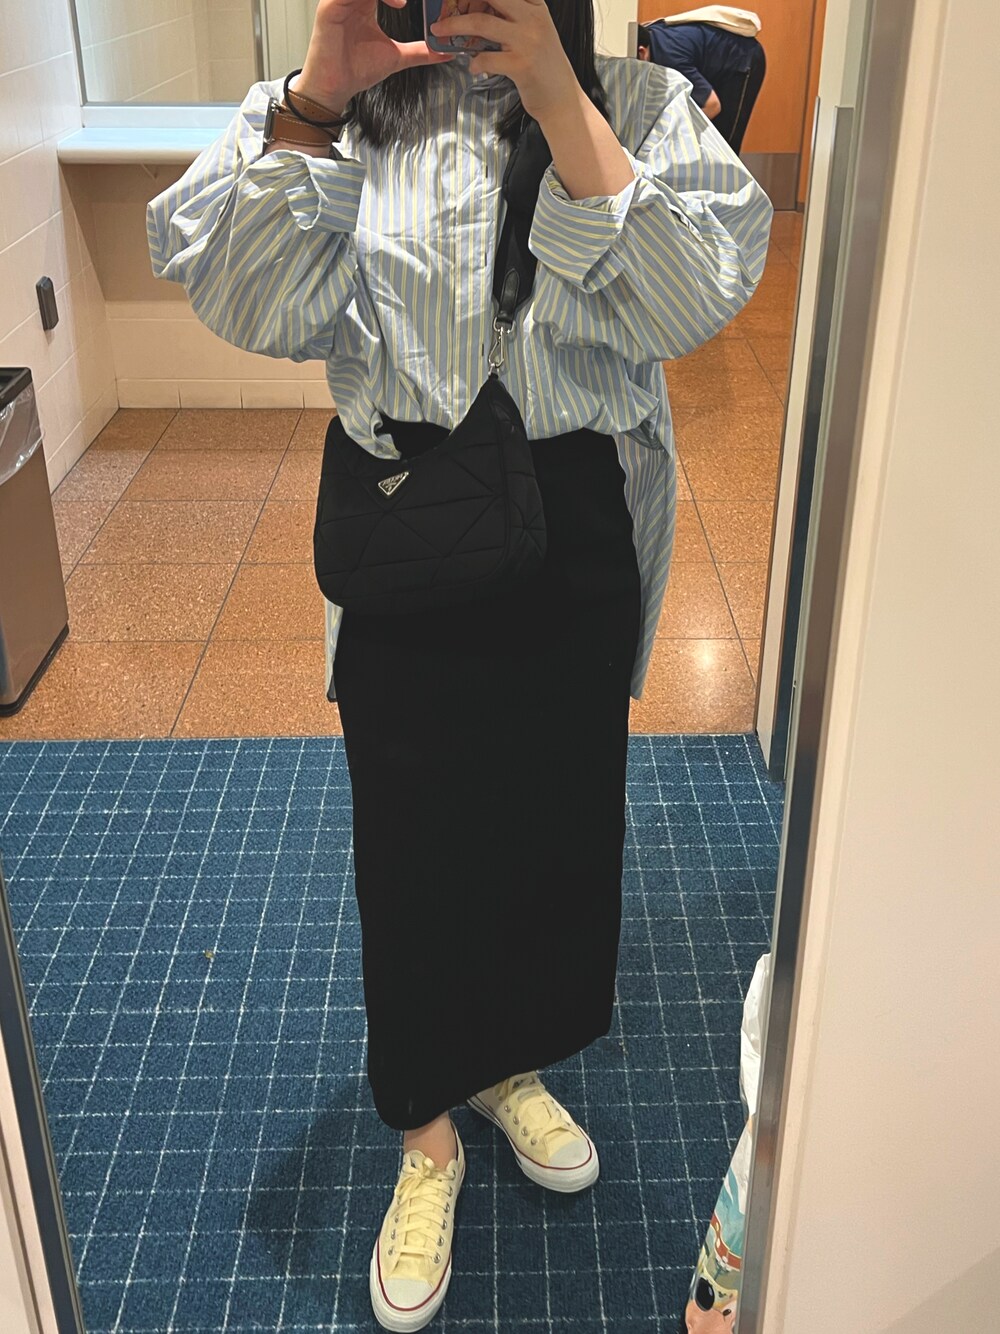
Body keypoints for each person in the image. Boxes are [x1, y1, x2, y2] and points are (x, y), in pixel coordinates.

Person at [147, 0, 771, 1328]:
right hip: (409, 520)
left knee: (555, 831)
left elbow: (690, 301)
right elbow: (245, 298)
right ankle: (425, 1129)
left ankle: (503, 1061)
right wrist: (318, 93)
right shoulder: (349, 113)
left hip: (576, 528)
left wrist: (556, 94)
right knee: (415, 845)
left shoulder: (638, 106)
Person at [637, 10, 766, 153]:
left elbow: (712, 106)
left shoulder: (669, 58)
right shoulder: (647, 35)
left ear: (642, 52)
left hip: (741, 57)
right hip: (712, 58)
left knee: (724, 144)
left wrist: (672, 135)